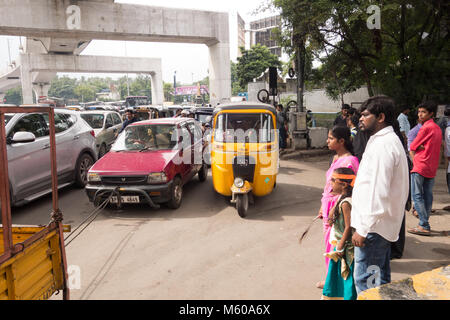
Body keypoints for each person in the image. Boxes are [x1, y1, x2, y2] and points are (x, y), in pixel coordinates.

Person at [351, 96, 409, 295]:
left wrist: (364, 229)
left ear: (381, 117)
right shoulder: (383, 141)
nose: (361, 119)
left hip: (373, 229)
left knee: (367, 286)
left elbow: (378, 191)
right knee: (381, 284)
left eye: (366, 115)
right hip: (379, 227)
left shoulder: (384, 145)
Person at [316, 126, 359, 289]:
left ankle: (334, 282)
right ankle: (331, 278)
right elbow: (329, 185)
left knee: (337, 244)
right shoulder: (335, 158)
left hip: (339, 207)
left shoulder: (350, 161)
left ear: (341, 141)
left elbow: (350, 188)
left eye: (331, 138)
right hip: (328, 205)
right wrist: (322, 206)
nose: (327, 141)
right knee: (329, 243)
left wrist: (335, 207)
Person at [322, 167, 357, 300]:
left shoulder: (346, 203)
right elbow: (334, 216)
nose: (330, 183)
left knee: (345, 276)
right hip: (339, 245)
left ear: (343, 184)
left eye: (333, 180)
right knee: (336, 276)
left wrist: (341, 246)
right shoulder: (341, 198)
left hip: (345, 248)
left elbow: (348, 227)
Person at [408, 101, 442, 236]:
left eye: (423, 112)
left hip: (420, 164)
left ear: (431, 114)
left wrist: (420, 147)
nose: (420, 114)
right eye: (419, 111)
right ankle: (424, 223)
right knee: (427, 195)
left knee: (417, 196)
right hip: (431, 166)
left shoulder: (425, 128)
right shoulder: (437, 128)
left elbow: (413, 146)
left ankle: (424, 224)